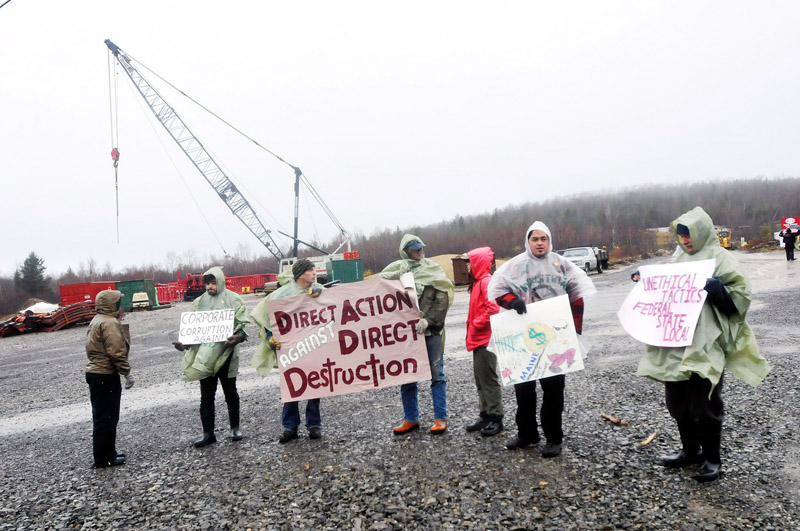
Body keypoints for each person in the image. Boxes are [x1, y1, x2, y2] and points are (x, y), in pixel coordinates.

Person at [637, 207, 771, 482]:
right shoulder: (678, 260)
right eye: (681, 236)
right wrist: (644, 281)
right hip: (675, 343)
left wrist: (718, 290)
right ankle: (690, 451)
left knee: (705, 404)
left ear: (702, 232)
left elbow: (740, 300)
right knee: (677, 402)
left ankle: (712, 458)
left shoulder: (722, 258)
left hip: (706, 343)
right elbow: (665, 292)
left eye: (689, 236)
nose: (685, 241)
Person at [488, 221, 595, 458]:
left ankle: (554, 438)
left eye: (543, 239)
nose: (539, 243)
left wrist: (573, 333)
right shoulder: (515, 265)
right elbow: (497, 290)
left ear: (549, 241)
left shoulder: (562, 265)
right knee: (524, 390)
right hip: (523, 337)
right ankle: (527, 434)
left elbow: (578, 295)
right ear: (528, 241)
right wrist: (511, 301)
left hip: (555, 337)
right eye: (534, 239)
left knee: (553, 391)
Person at [380, 234, 454, 435]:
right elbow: (378, 292)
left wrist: (428, 321)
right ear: (405, 251)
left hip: (431, 332)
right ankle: (411, 418)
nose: (419, 251)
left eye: (421, 247)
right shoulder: (396, 270)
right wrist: (397, 275)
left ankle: (440, 418)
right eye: (414, 248)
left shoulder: (433, 269)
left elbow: (442, 298)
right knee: (407, 375)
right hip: (406, 336)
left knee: (437, 374)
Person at [172, 266, 249, 448]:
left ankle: (235, 428)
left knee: (230, 392)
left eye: (213, 282)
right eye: (207, 283)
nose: (209, 287)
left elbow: (243, 326)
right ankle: (208, 433)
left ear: (220, 281)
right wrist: (185, 344)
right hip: (205, 356)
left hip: (226, 354)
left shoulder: (233, 299)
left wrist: (237, 337)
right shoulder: (198, 303)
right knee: (206, 396)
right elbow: (194, 331)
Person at [251, 258, 325, 443]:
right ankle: (289, 426)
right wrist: (270, 336)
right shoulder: (282, 294)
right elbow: (269, 316)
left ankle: (314, 424)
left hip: (313, 344)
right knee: (292, 384)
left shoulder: (318, 290)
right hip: (291, 348)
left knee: (315, 384)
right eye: (310, 270)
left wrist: (322, 296)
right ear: (301, 274)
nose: (314, 273)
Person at [85, 289, 134, 468]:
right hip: (105, 375)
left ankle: (106, 454)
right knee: (107, 418)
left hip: (96, 373)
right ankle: (104, 458)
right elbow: (117, 352)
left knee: (101, 417)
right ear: (112, 304)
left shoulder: (97, 320)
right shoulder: (109, 323)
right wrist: (126, 372)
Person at [464, 246, 504, 436]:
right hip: (478, 339)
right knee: (480, 379)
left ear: (477, 264)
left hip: (485, 339)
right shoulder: (478, 282)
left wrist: (476, 325)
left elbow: (494, 309)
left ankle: (496, 418)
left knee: (488, 379)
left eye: (469, 264)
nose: (467, 268)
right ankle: (485, 415)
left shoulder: (486, 282)